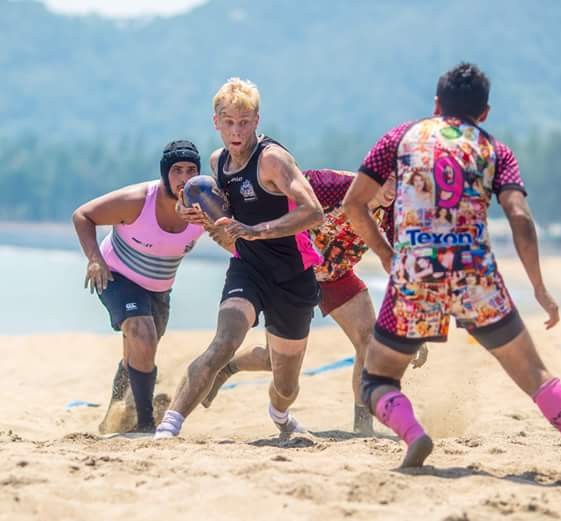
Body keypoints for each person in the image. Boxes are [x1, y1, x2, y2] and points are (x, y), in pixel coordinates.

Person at [342, 62, 561, 477]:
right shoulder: (495, 150)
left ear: (436, 104)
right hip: (475, 275)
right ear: (484, 112)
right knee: (535, 376)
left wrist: (385, 253)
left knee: (376, 381)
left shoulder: (399, 138)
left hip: (415, 273)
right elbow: (520, 218)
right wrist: (539, 289)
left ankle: (413, 433)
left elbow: (353, 205)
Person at [154, 78, 324, 439]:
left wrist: (258, 230)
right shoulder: (217, 164)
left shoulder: (273, 160)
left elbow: (314, 213)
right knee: (224, 341)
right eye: (229, 122)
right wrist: (199, 217)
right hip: (248, 268)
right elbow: (226, 225)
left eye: (244, 122)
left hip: (293, 277)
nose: (236, 130)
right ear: (215, 122)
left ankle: (280, 415)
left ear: (257, 120)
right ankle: (169, 427)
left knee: (286, 384)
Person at [199, 169, 428, 435]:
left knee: (369, 340)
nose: (393, 189)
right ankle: (228, 367)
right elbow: (278, 193)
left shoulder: (395, 213)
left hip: (336, 275)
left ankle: (362, 426)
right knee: (276, 362)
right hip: (294, 268)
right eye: (389, 181)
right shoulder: (334, 185)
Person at [72, 140, 205, 433]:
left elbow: (232, 232)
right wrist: (95, 259)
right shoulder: (137, 200)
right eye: (177, 170)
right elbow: (83, 215)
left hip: (159, 289)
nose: (184, 178)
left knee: (141, 350)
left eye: (191, 170)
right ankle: (145, 423)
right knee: (142, 335)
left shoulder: (204, 206)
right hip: (116, 275)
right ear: (164, 173)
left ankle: (117, 413)